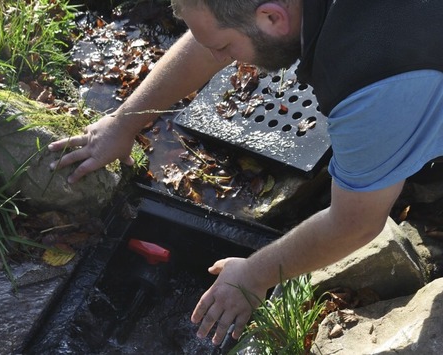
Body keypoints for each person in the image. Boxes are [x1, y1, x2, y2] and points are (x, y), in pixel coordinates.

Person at [48, 0, 443, 346]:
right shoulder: (276, 11)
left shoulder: (371, 79)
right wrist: (124, 121)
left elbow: (355, 224)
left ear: (273, 17)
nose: (228, 58)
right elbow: (215, 34)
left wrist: (255, 275)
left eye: (227, 47)